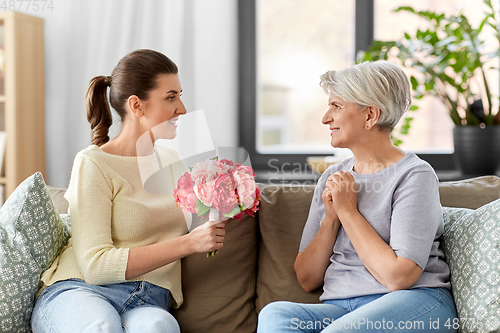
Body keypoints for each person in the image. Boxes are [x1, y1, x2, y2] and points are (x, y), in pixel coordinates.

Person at [31, 49, 228, 333]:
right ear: (137, 105)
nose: (182, 108)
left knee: (160, 327)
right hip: (82, 291)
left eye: (180, 96)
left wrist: (226, 196)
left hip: (148, 299)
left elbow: (196, 223)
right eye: (171, 97)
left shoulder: (172, 160)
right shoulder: (93, 163)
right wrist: (190, 243)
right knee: (102, 327)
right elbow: (95, 267)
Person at [257, 61, 458, 332]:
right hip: (341, 309)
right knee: (275, 315)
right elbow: (307, 279)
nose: (325, 117)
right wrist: (331, 218)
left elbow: (399, 277)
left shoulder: (414, 175)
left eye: (337, 106)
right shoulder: (333, 176)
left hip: (415, 301)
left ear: (370, 115)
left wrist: (349, 212)